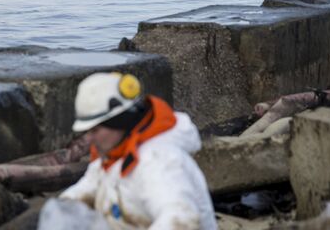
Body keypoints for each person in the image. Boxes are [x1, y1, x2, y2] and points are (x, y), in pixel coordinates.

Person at [59, 72, 217, 230]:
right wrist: (61, 210)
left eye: (95, 130)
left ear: (119, 122)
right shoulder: (115, 154)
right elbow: (90, 185)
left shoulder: (158, 160)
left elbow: (180, 219)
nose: (90, 139)